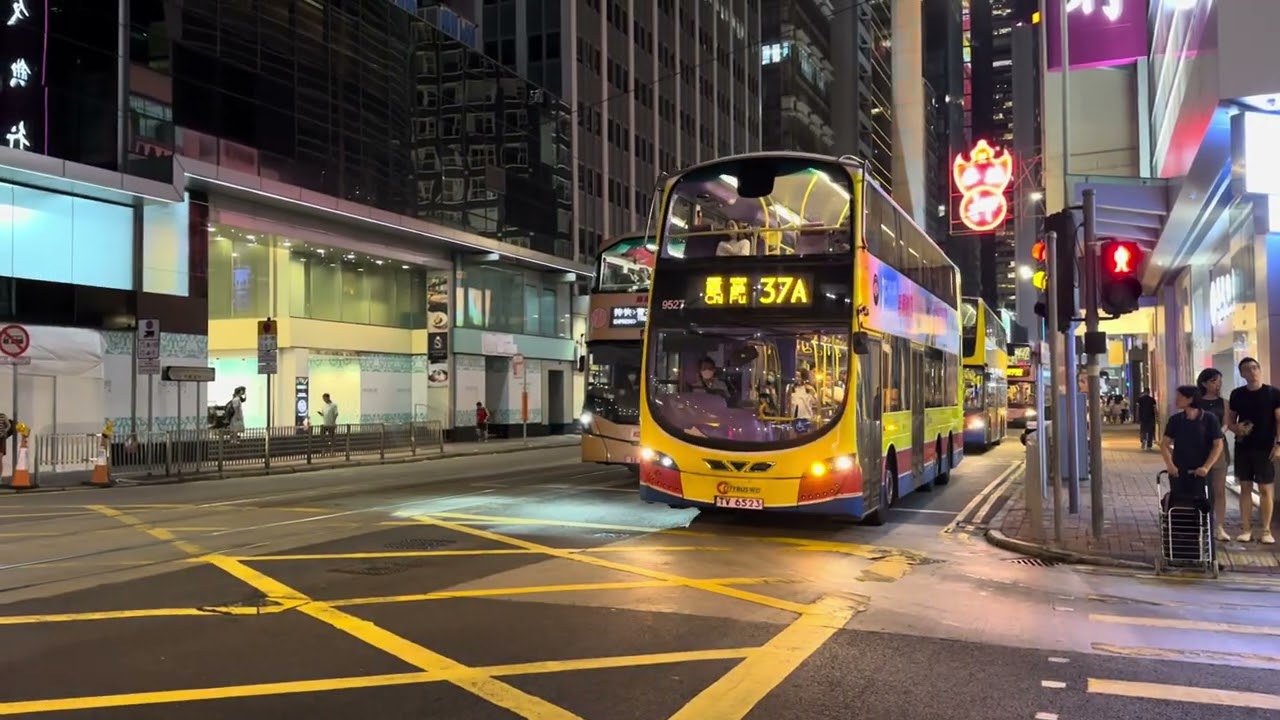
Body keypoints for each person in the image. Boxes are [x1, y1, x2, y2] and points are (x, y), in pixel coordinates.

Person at [1226, 357, 1278, 544]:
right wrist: (1236, 428)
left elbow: (1279, 420)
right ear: (1242, 374)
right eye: (1247, 369)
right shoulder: (1237, 394)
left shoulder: (1272, 393)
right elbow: (1230, 421)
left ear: (1260, 370)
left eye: (1255, 367)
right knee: (1245, 487)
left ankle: (1266, 530)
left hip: (1265, 447)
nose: (1252, 371)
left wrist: (1278, 444)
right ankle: (1246, 528)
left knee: (1265, 488)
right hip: (1243, 446)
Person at [1160, 385, 1224, 518]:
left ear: (1190, 399)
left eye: (1180, 396)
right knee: (1179, 503)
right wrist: (1170, 465)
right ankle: (1178, 529)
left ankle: (1206, 530)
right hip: (1179, 471)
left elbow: (1218, 445)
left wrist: (1206, 467)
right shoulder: (1175, 420)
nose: (1176, 399)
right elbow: (1164, 444)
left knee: (1204, 505)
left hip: (1201, 471)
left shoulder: (1209, 419)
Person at [1196, 369, 1231, 542]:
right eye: (1214, 381)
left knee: (1219, 489)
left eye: (1219, 381)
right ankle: (1202, 524)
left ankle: (1219, 526)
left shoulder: (1224, 403)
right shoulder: (1197, 402)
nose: (1218, 385)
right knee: (1200, 489)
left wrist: (1217, 434)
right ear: (1204, 383)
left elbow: (1226, 423)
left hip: (1218, 448)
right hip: (1199, 448)